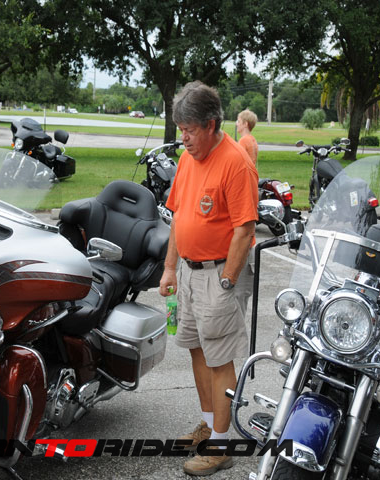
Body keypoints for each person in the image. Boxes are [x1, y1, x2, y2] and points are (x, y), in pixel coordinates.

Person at [159, 82, 258, 476]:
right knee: (197, 350)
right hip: (189, 271)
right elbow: (179, 216)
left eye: (190, 130)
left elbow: (245, 230)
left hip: (219, 275)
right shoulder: (188, 159)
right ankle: (208, 425)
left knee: (219, 359)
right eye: (181, 129)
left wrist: (227, 282)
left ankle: (221, 445)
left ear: (212, 125)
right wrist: (170, 267)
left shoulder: (235, 162)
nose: (183, 138)